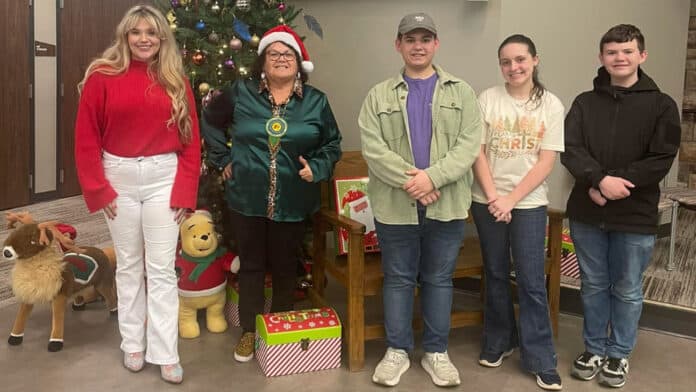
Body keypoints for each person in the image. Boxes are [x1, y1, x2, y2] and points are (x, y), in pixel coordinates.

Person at [74, 4, 200, 384]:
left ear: (162, 37)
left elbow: (192, 142)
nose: (143, 39)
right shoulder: (101, 76)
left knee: (160, 269)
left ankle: (165, 352)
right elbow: (85, 138)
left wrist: (184, 191)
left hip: (165, 178)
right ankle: (132, 343)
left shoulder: (175, 77)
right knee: (129, 264)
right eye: (136, 32)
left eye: (151, 32)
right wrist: (98, 188)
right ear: (125, 36)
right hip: (119, 179)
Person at [200, 25, 342, 363]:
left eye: (287, 54)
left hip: (293, 199)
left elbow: (332, 143)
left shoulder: (316, 101)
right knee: (251, 265)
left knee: (284, 266)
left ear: (298, 62)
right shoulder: (241, 92)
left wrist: (317, 168)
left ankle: (277, 328)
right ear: (262, 62)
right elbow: (210, 118)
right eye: (273, 54)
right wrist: (222, 159)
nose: (280, 59)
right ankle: (250, 330)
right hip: (247, 197)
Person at [358, 12, 482, 388]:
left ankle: (436, 353)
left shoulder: (461, 91)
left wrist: (433, 178)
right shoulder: (378, 95)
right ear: (398, 45)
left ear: (435, 44)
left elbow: (468, 144)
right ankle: (396, 351)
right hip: (396, 206)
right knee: (397, 279)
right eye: (410, 39)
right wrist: (415, 182)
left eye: (425, 39)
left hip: (447, 203)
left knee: (439, 279)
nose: (418, 46)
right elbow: (373, 149)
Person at [561, 24, 680, 389]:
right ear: (602, 58)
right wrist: (598, 181)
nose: (619, 58)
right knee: (594, 285)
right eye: (612, 52)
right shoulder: (584, 102)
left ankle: (619, 353)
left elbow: (661, 158)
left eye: (627, 51)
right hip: (587, 210)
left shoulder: (662, 105)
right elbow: (570, 147)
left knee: (627, 288)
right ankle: (594, 348)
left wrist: (613, 185)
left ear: (641, 56)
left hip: (635, 214)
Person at [471, 34, 564, 391]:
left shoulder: (550, 105)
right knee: (494, 272)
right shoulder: (487, 99)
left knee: (530, 280)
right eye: (506, 62)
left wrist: (510, 200)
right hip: (487, 200)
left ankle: (540, 357)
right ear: (501, 66)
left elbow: (547, 161)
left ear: (535, 61)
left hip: (527, 204)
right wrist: (495, 196)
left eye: (521, 60)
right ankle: (499, 339)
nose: (514, 68)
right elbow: (477, 152)